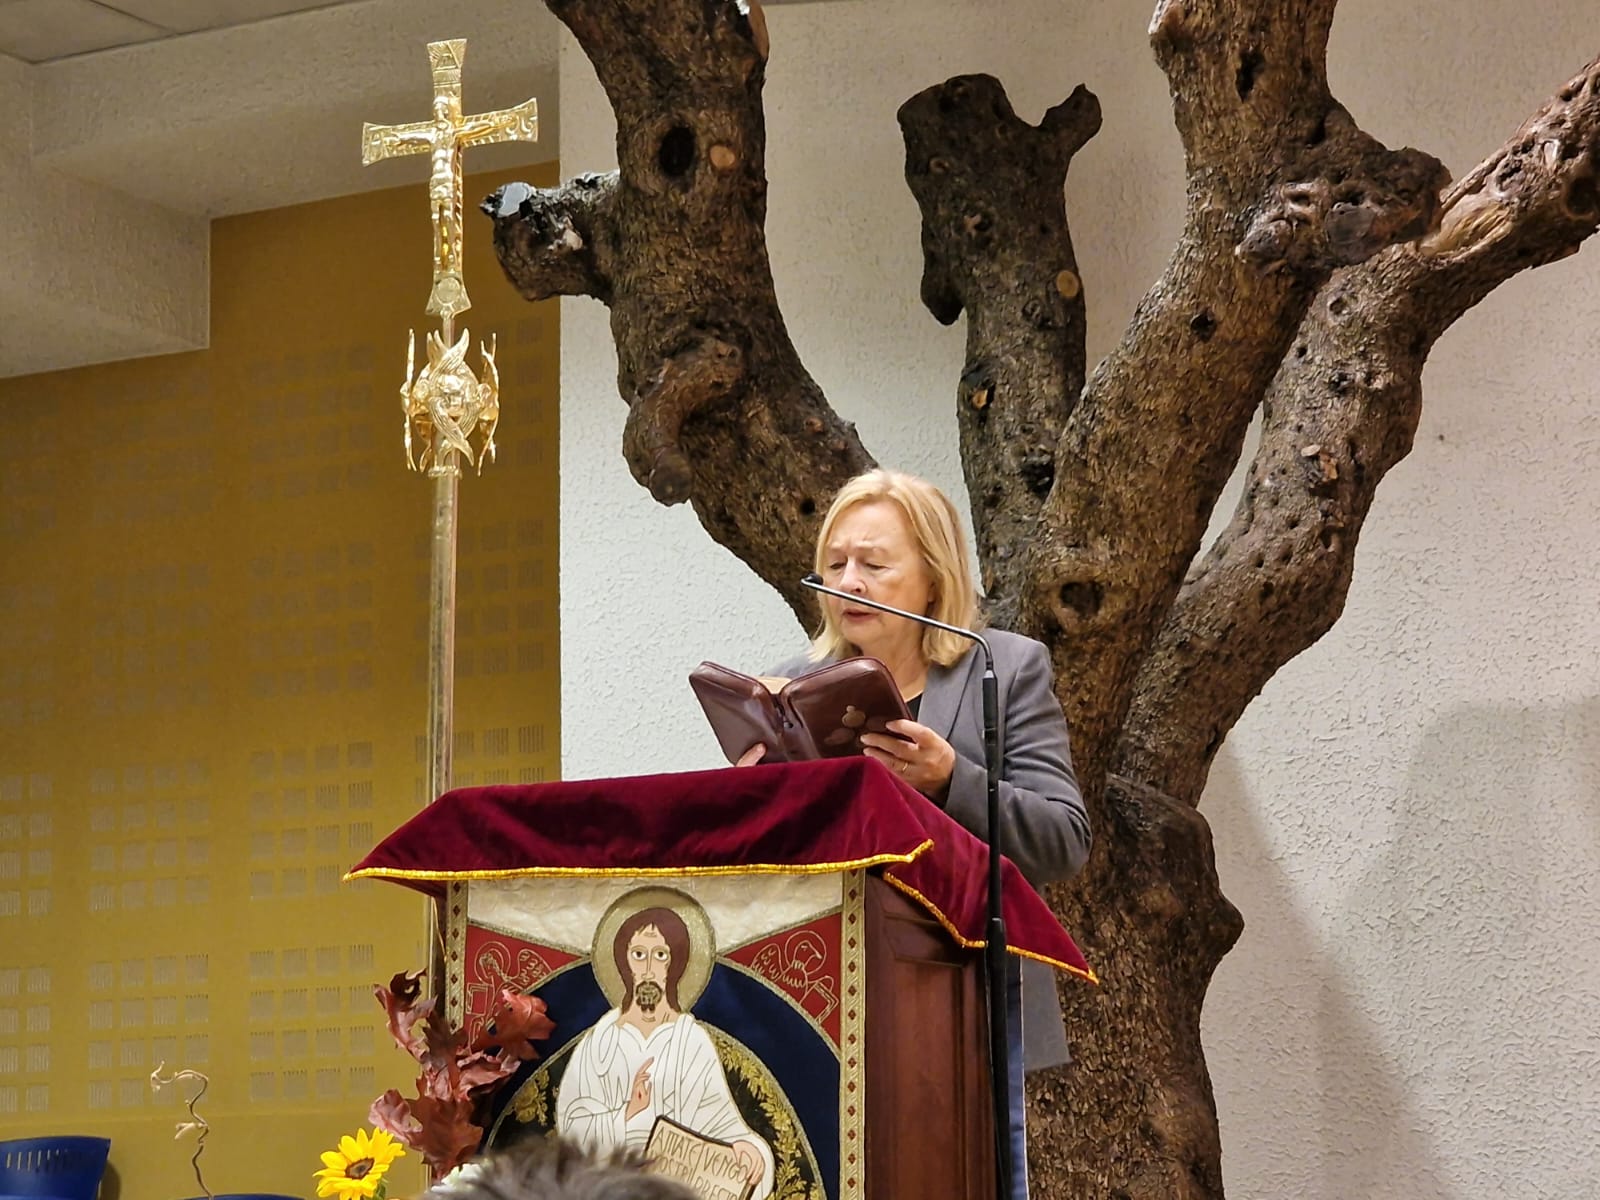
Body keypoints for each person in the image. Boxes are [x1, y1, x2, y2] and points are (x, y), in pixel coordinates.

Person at [748, 468, 1091, 1199]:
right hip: (822, 994)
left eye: (874, 565)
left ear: (933, 578)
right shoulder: (789, 687)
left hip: (964, 1000)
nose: (849, 582)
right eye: (835, 564)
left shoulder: (1003, 668)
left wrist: (950, 779)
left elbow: (1063, 839)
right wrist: (753, 795)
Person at [556, 907, 775, 1200]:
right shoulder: (599, 1043)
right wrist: (627, 1114)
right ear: (624, 962)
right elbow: (571, 1132)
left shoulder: (691, 1042)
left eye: (660, 955)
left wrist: (749, 1151)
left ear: (676, 965)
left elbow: (723, 1128)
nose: (648, 969)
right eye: (638, 954)